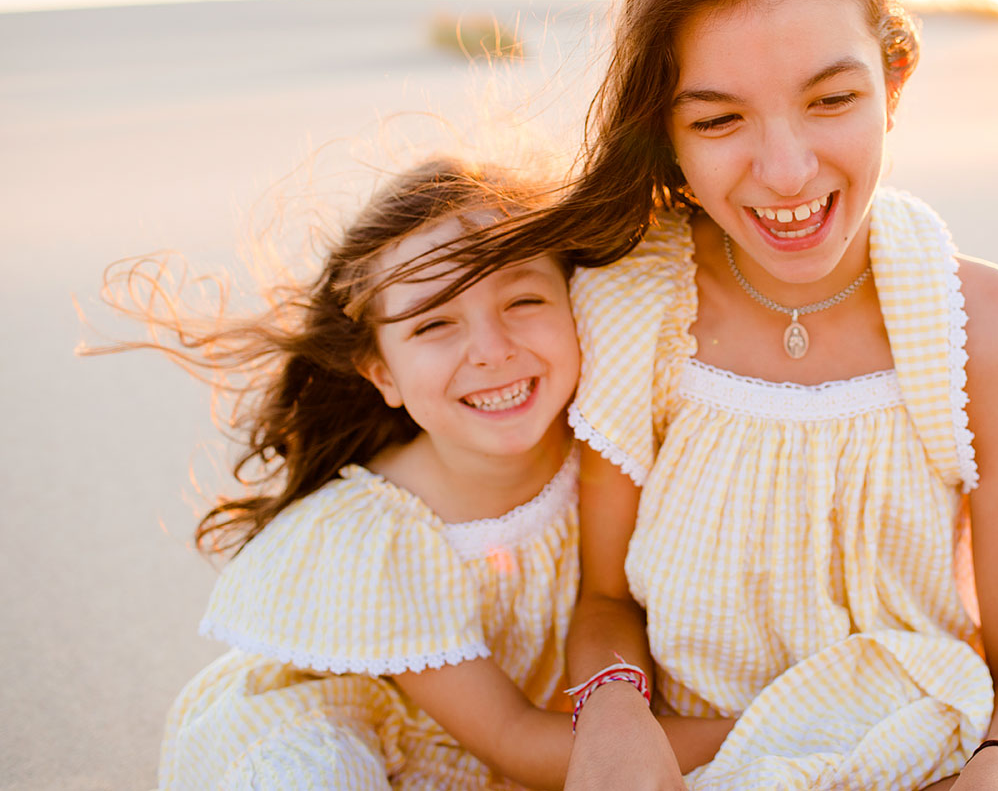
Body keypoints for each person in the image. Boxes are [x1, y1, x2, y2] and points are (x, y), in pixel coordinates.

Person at [518, 0, 998, 789]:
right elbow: (606, 598)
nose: (785, 170)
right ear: (668, 132)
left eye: (831, 101)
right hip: (706, 764)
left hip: (930, 758)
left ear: (894, 81)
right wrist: (615, 710)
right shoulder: (634, 304)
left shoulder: (986, 331)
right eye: (720, 118)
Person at [92, 157, 720, 789]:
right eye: (433, 323)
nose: (492, 349)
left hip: (519, 746)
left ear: (575, 302)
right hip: (337, 728)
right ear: (382, 372)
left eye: (523, 299)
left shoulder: (612, 444)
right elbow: (516, 741)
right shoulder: (375, 539)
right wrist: (765, 726)